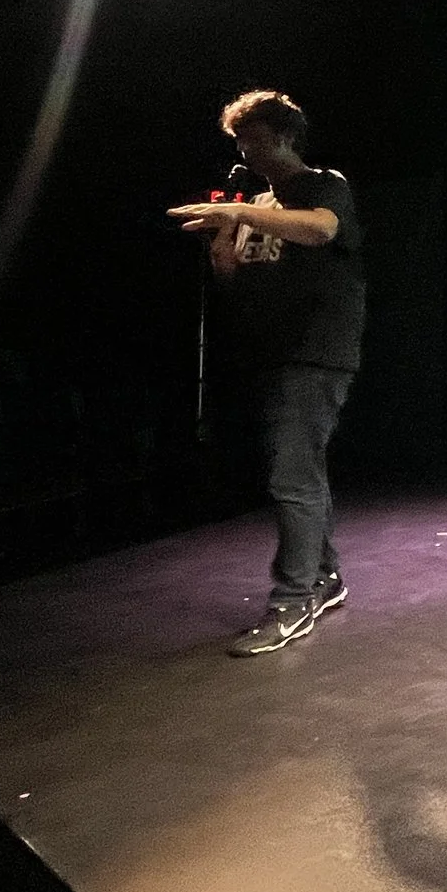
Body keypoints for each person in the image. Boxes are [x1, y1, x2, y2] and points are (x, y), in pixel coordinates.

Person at [167, 91, 366, 655]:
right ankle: (324, 581)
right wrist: (222, 238)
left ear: (282, 136)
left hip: (315, 353)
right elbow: (234, 279)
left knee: (290, 478)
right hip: (270, 356)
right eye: (239, 140)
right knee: (302, 471)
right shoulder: (253, 203)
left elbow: (322, 231)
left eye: (251, 138)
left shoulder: (325, 185)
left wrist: (240, 212)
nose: (243, 150)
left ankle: (292, 601)